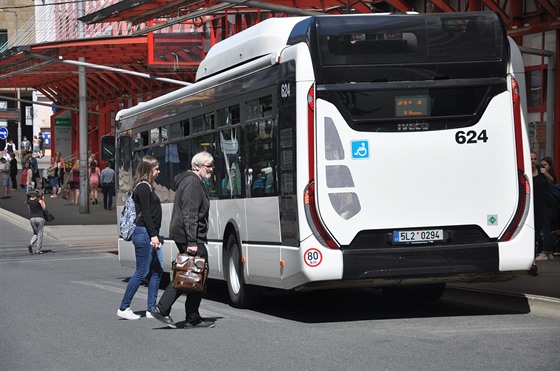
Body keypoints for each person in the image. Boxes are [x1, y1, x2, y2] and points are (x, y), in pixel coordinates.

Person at [150, 151, 215, 329]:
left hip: (188, 235)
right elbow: (190, 213)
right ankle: (163, 309)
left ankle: (192, 317)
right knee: (189, 273)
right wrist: (193, 242)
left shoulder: (193, 181)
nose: (211, 169)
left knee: (195, 273)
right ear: (197, 167)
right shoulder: (193, 183)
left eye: (212, 165)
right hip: (190, 236)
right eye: (207, 166)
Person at [117, 155, 163, 320]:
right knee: (142, 271)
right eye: (156, 169)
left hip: (148, 233)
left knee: (157, 270)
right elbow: (147, 216)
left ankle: (151, 308)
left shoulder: (147, 187)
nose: (158, 172)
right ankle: (124, 306)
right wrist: (154, 236)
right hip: (144, 233)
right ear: (148, 170)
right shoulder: (143, 187)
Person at [535, 156, 557, 261]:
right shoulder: (540, 173)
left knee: (545, 228)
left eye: (545, 165)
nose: (542, 166)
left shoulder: (548, 174)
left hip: (548, 205)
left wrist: (545, 173)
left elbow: (552, 181)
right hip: (543, 204)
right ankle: (549, 252)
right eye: (542, 164)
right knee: (545, 228)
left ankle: (544, 252)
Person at [27, 188, 46, 254]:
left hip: (32, 218)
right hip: (40, 217)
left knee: (35, 233)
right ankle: (38, 250)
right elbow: (44, 207)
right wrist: (43, 199)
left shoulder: (28, 201)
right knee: (40, 233)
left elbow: (29, 210)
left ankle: (31, 244)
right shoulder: (39, 200)